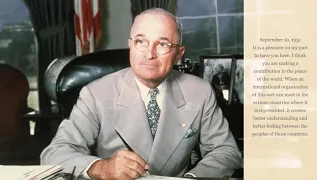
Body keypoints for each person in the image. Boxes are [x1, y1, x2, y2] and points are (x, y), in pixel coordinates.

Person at [40, 8, 242, 180]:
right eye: (141, 42)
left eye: (162, 44)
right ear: (130, 45)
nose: (149, 53)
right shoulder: (95, 94)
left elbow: (226, 151)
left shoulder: (199, 91)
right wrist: (101, 167)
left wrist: (192, 179)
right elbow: (54, 154)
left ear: (179, 54)